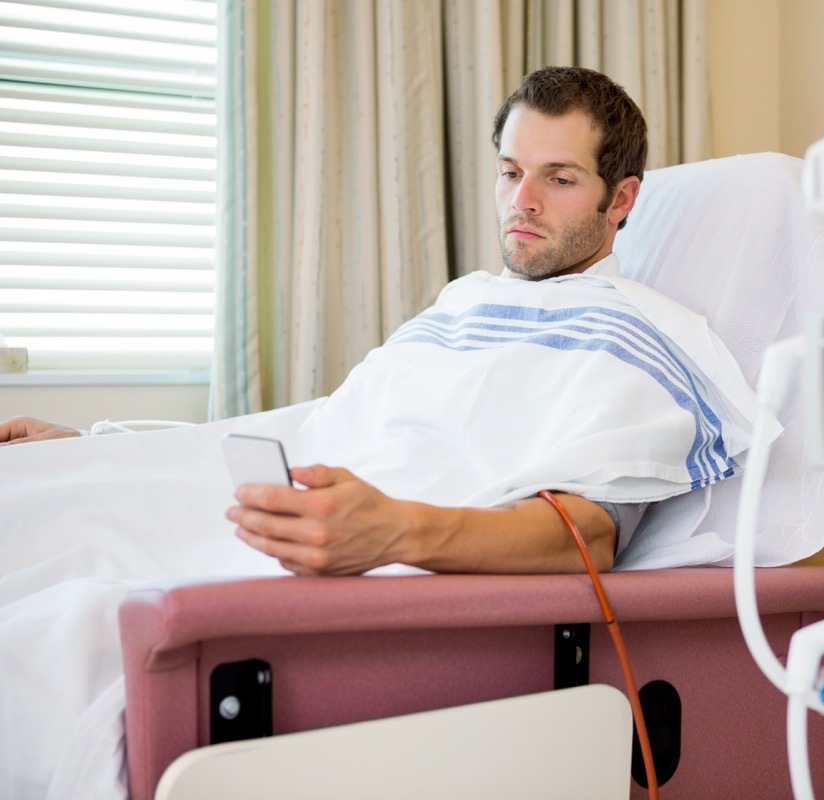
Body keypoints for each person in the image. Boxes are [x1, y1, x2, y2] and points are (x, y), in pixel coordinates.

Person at [1, 66, 665, 577]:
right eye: (511, 172)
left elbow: (590, 532)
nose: (521, 202)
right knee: (39, 492)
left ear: (622, 199)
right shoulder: (466, 306)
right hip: (287, 527)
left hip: (375, 572)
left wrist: (396, 531)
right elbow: (325, 430)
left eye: (560, 179)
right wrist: (101, 446)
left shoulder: (631, 337)